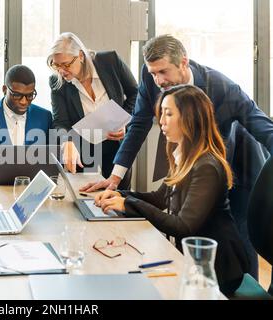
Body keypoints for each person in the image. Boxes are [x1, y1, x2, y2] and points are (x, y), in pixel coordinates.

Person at [82, 34, 273, 278]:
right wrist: (116, 182)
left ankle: (244, 287)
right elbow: (139, 123)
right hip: (198, 162)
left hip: (237, 168)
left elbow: (264, 129)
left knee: (237, 240)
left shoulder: (223, 88)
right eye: (153, 73)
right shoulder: (153, 79)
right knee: (197, 231)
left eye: (163, 72)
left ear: (184, 62)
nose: (158, 80)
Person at [95, 85, 250, 296]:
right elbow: (160, 199)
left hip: (215, 267)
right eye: (161, 114)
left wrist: (128, 204)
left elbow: (183, 226)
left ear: (190, 118)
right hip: (190, 257)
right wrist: (121, 195)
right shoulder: (183, 153)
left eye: (169, 114)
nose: (161, 122)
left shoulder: (207, 165)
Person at [48, 32, 138, 187]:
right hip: (83, 152)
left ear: (81, 56)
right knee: (85, 198)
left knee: (118, 197)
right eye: (57, 65)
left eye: (66, 64)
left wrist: (125, 121)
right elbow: (60, 122)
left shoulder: (110, 61)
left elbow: (136, 93)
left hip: (117, 147)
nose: (61, 71)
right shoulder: (58, 82)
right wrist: (67, 142)